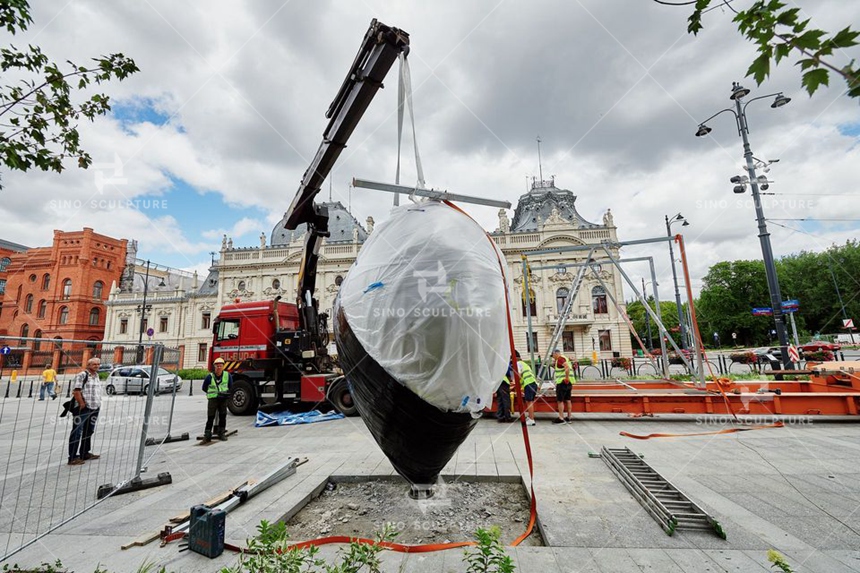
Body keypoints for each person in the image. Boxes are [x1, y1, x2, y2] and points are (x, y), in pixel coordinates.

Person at [68, 358, 103, 466]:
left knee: (89, 431)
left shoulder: (96, 376)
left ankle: (84, 452)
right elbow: (76, 391)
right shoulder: (82, 375)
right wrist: (82, 404)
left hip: (95, 407)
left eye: (98, 364)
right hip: (84, 408)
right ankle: (72, 457)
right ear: (88, 365)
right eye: (94, 364)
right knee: (77, 432)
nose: (96, 366)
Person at [202, 357, 233, 442]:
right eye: (217, 366)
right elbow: (204, 388)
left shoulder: (227, 375)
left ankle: (221, 433)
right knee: (210, 417)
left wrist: (225, 393)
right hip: (213, 399)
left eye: (220, 366)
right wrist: (212, 393)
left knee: (223, 416)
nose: (219, 368)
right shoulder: (209, 377)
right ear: (214, 367)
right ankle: (207, 435)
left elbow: (230, 386)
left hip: (223, 399)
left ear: (223, 367)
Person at [512, 351, 538, 426]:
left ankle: (531, 419)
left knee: (529, 402)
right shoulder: (525, 364)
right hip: (533, 383)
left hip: (529, 384)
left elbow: (519, 375)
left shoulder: (518, 363)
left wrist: (514, 383)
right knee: (530, 402)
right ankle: (530, 417)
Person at [552, 348, 575, 424]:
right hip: (569, 383)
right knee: (568, 400)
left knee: (560, 400)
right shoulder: (564, 358)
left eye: (553, 355)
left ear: (555, 353)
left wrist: (566, 378)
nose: (553, 357)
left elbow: (566, 368)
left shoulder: (560, 359)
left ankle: (561, 418)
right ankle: (569, 417)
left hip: (562, 382)